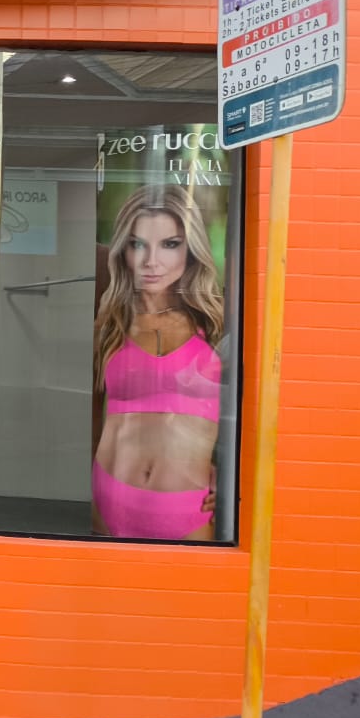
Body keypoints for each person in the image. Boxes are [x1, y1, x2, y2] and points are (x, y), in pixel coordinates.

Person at [91, 184, 224, 541]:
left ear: (191, 249)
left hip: (189, 507)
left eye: (169, 244)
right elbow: (89, 415)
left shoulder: (216, 322)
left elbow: (250, 413)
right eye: (137, 244)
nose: (151, 261)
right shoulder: (109, 323)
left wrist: (233, 477)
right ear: (123, 251)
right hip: (109, 496)